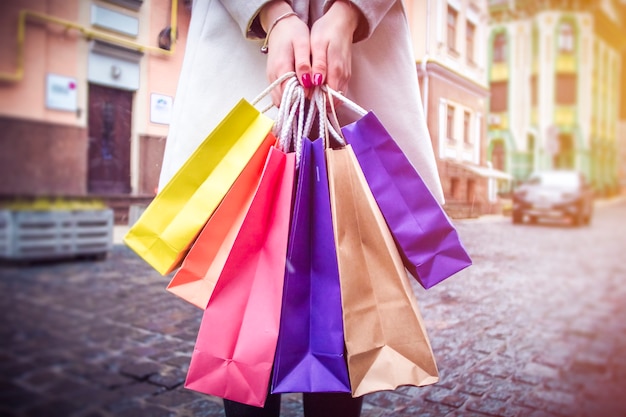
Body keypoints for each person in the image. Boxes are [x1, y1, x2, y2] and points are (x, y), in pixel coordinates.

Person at [158, 1, 445, 416]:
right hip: (246, 57)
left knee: (348, 302)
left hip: (357, 59)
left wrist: (350, 13)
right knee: (246, 303)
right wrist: (272, 14)